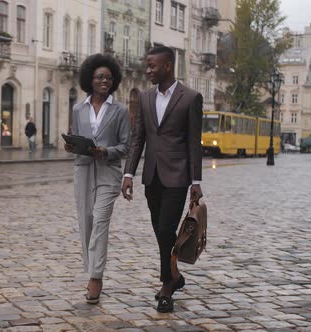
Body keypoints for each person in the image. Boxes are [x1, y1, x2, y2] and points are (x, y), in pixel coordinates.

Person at [121, 46, 203, 313]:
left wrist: (196, 181)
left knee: (167, 229)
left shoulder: (190, 98)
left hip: (177, 177)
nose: (148, 70)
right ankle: (175, 274)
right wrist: (129, 173)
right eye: (147, 65)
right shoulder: (144, 98)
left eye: (152, 66)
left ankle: (167, 288)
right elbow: (138, 138)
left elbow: (193, 142)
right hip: (151, 177)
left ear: (167, 65)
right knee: (160, 230)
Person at [64, 54, 130, 304]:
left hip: (108, 171)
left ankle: (95, 277)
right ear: (90, 80)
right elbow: (76, 137)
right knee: (86, 223)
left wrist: (106, 151)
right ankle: (91, 269)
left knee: (100, 221)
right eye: (100, 77)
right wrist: (71, 146)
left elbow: (125, 146)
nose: (105, 81)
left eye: (109, 78)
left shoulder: (120, 110)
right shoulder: (78, 108)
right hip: (83, 170)